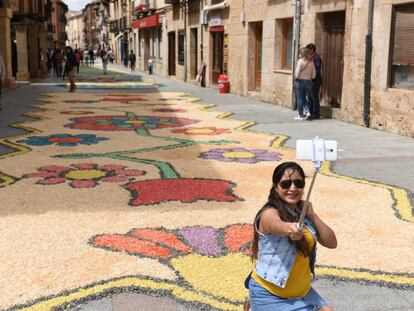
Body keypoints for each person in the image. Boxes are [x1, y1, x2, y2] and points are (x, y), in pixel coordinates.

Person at [245, 161, 337, 311]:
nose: (293, 188)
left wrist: (313, 216)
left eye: (298, 183)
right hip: (270, 294)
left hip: (302, 293)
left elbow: (332, 242)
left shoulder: (304, 215)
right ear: (276, 187)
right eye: (286, 184)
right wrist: (291, 229)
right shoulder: (269, 213)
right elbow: (276, 225)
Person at [294, 48, 315, 120]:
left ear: (303, 53)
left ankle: (300, 115)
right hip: (308, 82)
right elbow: (314, 75)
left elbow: (297, 73)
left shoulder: (300, 61)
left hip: (300, 81)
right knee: (305, 97)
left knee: (300, 98)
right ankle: (307, 111)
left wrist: (296, 77)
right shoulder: (311, 63)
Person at [306, 43, 323, 120]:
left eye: (308, 50)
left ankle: (316, 113)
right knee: (310, 96)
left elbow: (317, 70)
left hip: (315, 81)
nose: (307, 52)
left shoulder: (316, 58)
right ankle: (311, 112)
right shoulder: (311, 57)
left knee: (314, 97)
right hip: (310, 80)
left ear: (312, 50)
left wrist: (312, 78)